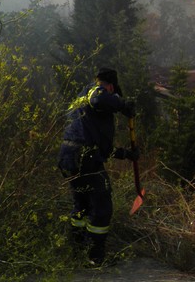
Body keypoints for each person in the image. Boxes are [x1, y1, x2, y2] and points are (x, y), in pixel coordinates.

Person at [57, 68, 138, 265]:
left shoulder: (86, 107)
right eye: (113, 92)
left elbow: (101, 148)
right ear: (110, 86)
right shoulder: (95, 93)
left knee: (82, 205)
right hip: (84, 158)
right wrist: (122, 104)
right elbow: (99, 98)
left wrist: (126, 154)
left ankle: (77, 251)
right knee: (102, 206)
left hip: (71, 157)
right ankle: (96, 257)